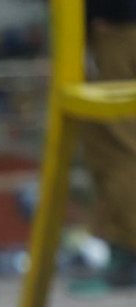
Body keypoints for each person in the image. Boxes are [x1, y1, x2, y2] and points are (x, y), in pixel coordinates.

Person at [78, 0, 136, 289]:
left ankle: (130, 250)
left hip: (117, 26)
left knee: (118, 147)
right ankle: (121, 247)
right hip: (112, 24)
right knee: (105, 145)